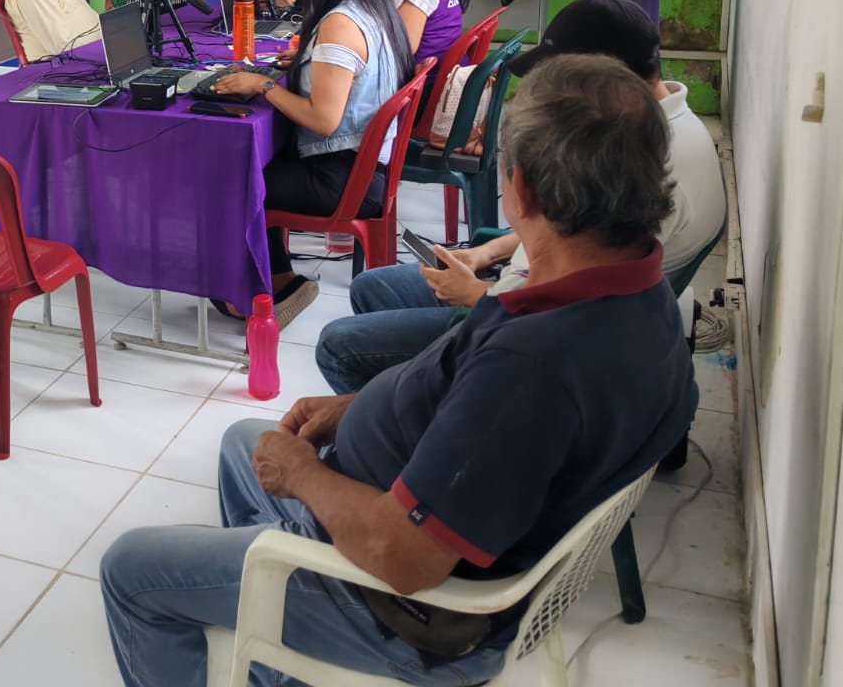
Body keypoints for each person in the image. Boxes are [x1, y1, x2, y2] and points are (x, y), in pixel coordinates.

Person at [99, 54, 698, 686]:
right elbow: (474, 415)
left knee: (131, 570)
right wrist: (355, 409)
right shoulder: (640, 293)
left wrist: (305, 477)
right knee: (242, 444)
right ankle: (277, 644)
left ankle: (285, 602)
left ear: (522, 191)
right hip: (406, 505)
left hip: (400, 608)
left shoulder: (533, 369)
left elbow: (406, 558)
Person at [315, 0, 728, 401]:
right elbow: (576, 229)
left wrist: (476, 295)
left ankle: (410, 414)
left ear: (604, 79)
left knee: (338, 346)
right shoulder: (655, 131)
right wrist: (485, 253)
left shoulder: (650, 166)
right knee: (371, 287)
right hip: (517, 286)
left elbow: (575, 308)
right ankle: (401, 399)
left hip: (522, 323)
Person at [212, 0, 411, 327]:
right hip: (366, 169)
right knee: (254, 164)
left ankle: (255, 295)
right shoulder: (372, 8)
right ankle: (280, 278)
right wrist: (308, 61)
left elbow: (323, 120)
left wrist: (262, 84)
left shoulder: (340, 23)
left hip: (341, 179)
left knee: (233, 179)